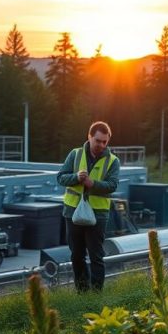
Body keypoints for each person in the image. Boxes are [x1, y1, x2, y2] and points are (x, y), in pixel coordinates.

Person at [57, 121, 119, 292]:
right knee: (77, 256)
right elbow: (61, 178)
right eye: (97, 140)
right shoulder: (75, 155)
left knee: (96, 256)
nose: (101, 145)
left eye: (104, 142)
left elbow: (113, 186)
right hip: (72, 213)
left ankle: (96, 295)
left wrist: (93, 183)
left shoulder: (113, 161)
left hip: (98, 215)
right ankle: (82, 293)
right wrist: (76, 178)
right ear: (89, 137)